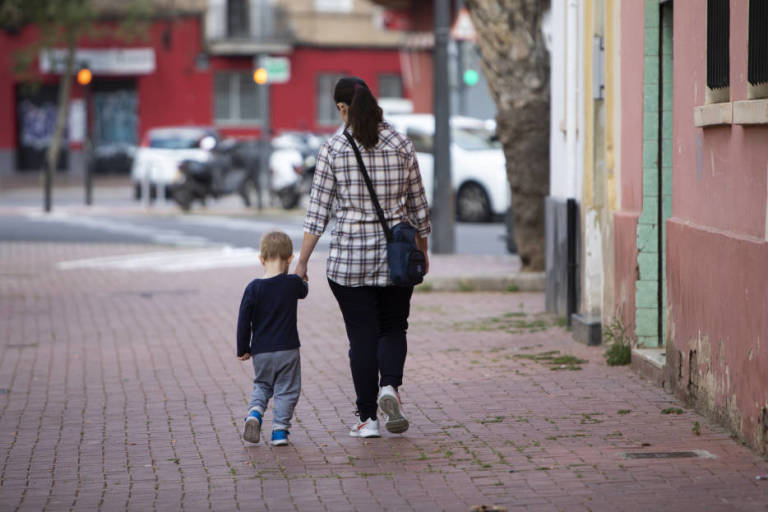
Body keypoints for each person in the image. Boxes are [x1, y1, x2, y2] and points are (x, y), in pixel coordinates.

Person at [294, 77, 431, 438]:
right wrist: (423, 250)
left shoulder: (334, 149)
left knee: (361, 337)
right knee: (393, 327)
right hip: (397, 258)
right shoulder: (401, 143)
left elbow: (317, 213)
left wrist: (302, 262)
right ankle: (390, 388)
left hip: (349, 261)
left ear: (343, 108)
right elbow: (418, 206)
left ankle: (367, 419)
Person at [237, 230, 308, 446]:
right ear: (289, 259)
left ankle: (255, 413)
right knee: (287, 389)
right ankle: (279, 431)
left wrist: (243, 348)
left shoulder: (253, 288)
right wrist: (302, 278)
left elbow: (243, 321)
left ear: (261, 259)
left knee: (262, 385)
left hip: (261, 351)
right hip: (288, 349)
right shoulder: (292, 284)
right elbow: (304, 291)